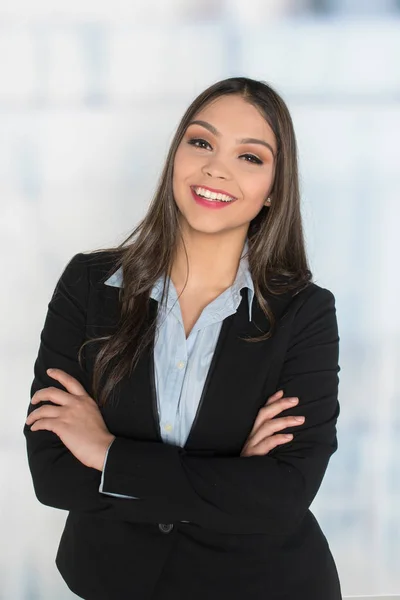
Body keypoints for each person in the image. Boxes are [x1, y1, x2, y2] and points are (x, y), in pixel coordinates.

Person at [23, 76, 342, 600]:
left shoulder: (305, 312)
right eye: (202, 142)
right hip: (112, 581)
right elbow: (53, 474)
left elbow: (284, 494)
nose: (217, 167)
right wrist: (232, 478)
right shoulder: (87, 283)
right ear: (176, 157)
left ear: (272, 193)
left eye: (251, 157)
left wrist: (106, 453)